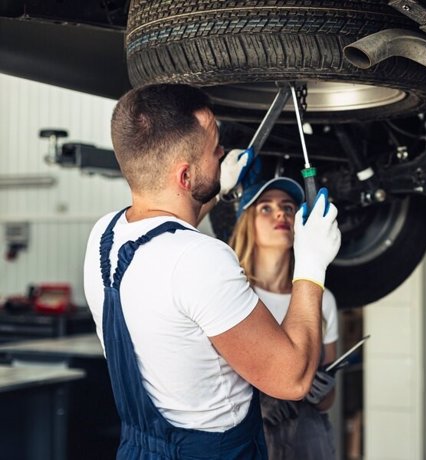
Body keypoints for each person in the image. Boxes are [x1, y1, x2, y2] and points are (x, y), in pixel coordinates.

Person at [82, 83, 341, 459]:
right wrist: (312, 264)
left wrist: (218, 189)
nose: (222, 153)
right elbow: (293, 379)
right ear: (185, 177)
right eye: (214, 149)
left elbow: (167, 239)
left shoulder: (106, 235)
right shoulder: (202, 260)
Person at [229, 177, 339, 459]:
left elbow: (328, 401)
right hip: (249, 439)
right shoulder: (232, 295)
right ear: (246, 222)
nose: (281, 214)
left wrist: (321, 391)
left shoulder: (321, 299)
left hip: (307, 442)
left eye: (288, 208)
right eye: (266, 208)